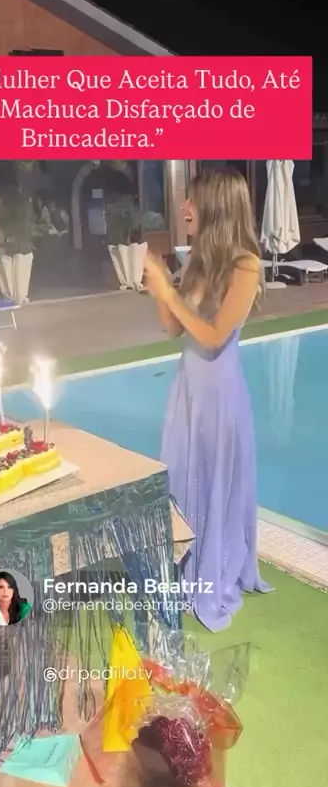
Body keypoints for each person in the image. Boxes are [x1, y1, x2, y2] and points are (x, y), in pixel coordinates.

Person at [143, 168, 272, 632]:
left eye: (192, 199)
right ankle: (182, 561)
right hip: (188, 391)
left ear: (214, 206)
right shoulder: (199, 260)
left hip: (219, 396)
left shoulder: (246, 266)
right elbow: (173, 328)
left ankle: (212, 565)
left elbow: (215, 336)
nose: (184, 207)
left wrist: (169, 293)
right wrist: (160, 286)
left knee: (213, 480)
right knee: (180, 476)